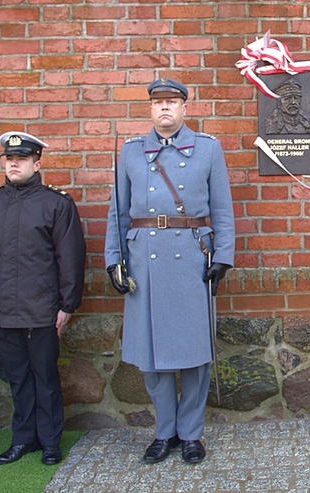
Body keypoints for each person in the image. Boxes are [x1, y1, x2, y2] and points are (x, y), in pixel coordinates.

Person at [104, 78, 235, 464]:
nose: (164, 108)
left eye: (172, 102)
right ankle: (165, 432)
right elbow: (118, 212)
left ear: (183, 109)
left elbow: (223, 210)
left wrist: (223, 256)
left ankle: (191, 434)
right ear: (150, 109)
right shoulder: (130, 153)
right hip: (144, 263)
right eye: (158, 102)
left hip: (192, 259)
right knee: (152, 354)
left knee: (195, 354)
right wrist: (114, 259)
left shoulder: (208, 150)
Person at [0, 132, 86, 465]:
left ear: (37, 163)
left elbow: (71, 258)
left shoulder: (56, 204)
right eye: (9, 159)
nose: (14, 164)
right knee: (18, 378)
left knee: (45, 377)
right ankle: (23, 439)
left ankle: (50, 442)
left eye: (21, 159)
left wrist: (67, 305)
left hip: (42, 309)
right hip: (2, 308)